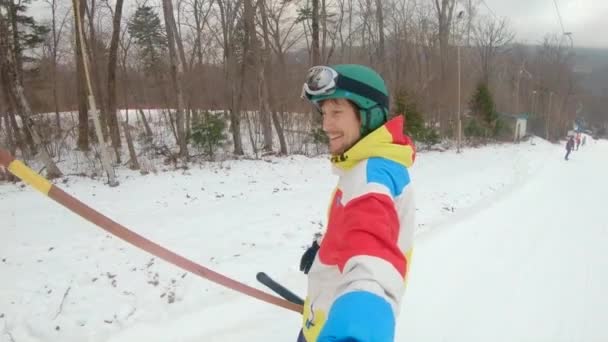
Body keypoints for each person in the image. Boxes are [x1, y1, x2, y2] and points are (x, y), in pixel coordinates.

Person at [298, 64, 416, 342]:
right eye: (324, 113)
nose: (326, 125)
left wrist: (358, 330)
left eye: (337, 112)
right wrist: (325, 245)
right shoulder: (370, 165)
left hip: (332, 330)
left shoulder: (371, 176)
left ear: (369, 115)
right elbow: (358, 224)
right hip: (322, 319)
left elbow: (372, 265)